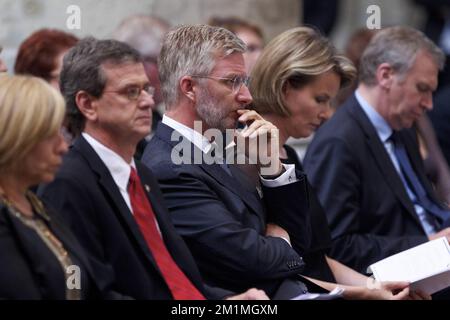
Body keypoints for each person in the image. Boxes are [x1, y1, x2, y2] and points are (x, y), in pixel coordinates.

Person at [142, 24, 415, 300]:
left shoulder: (227, 146)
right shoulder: (170, 168)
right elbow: (252, 258)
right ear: (189, 88)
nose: (247, 97)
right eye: (231, 82)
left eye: (244, 82)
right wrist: (282, 242)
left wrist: (273, 168)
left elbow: (302, 244)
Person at [39, 37, 267, 300]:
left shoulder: (141, 174)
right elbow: (90, 293)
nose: (148, 101)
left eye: (146, 89)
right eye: (130, 92)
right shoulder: (68, 182)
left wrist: (230, 302)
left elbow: (172, 278)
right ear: (88, 105)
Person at [303, 26, 450, 276]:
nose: (429, 104)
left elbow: (423, 206)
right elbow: (336, 247)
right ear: (386, 76)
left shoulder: (400, 125)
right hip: (398, 277)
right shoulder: (339, 142)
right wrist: (428, 246)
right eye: (422, 89)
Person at [0, 75, 98, 299]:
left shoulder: (37, 206)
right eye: (50, 134)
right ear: (17, 137)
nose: (63, 147)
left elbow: (77, 281)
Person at [113, 14, 171, 159]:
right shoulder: (119, 125)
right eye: (164, 64)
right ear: (136, 63)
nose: (172, 73)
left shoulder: (155, 117)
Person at [14, 29, 78, 142]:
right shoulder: (28, 141)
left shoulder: (82, 129)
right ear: (37, 83)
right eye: (68, 77)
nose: (81, 84)